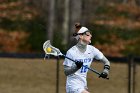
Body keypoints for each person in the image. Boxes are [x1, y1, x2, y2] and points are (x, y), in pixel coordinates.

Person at [63, 23, 110, 93]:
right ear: (81, 36)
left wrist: (106, 71)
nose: (91, 35)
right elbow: (66, 72)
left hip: (83, 85)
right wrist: (76, 67)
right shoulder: (71, 52)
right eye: (88, 34)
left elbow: (106, 62)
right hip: (72, 85)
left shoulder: (92, 50)